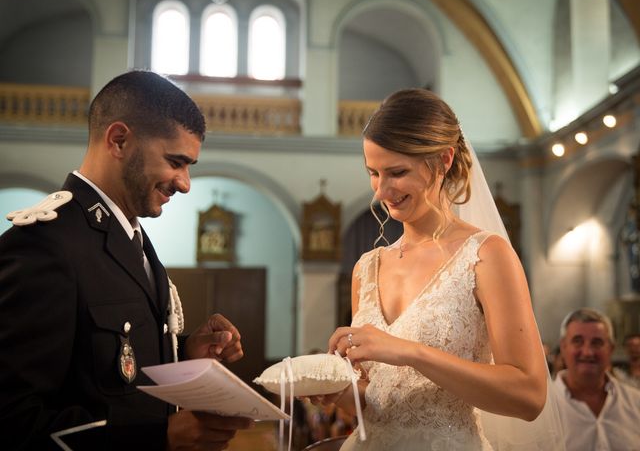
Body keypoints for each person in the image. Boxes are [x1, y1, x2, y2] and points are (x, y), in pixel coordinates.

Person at [0, 70, 253, 450]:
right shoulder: (46, 245)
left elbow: (103, 364)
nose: (185, 183)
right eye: (175, 161)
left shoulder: (130, 237)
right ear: (119, 140)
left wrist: (183, 351)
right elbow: (12, 418)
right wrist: (158, 437)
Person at [311, 88, 561, 450]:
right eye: (373, 173)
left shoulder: (486, 255)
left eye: (397, 172)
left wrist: (409, 351)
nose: (381, 191)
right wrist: (339, 391)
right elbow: (381, 405)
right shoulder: (366, 268)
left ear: (443, 160)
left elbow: (529, 396)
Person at [553, 308, 640, 450]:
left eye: (597, 342)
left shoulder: (636, 403)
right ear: (563, 347)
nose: (587, 352)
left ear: (610, 349)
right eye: (578, 341)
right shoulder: (543, 408)